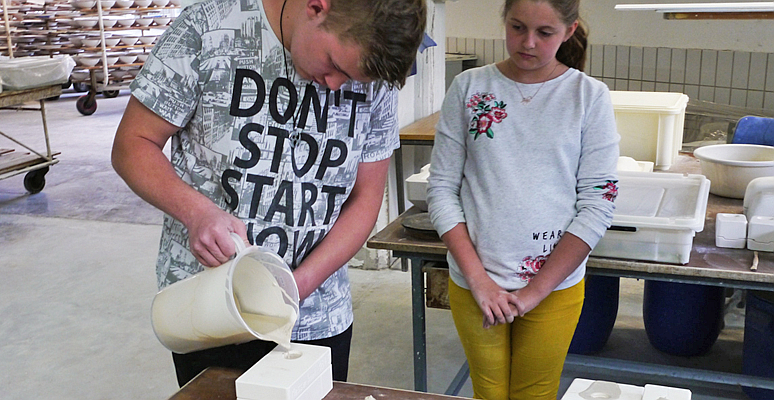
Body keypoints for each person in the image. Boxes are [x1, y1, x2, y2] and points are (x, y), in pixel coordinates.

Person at [112, 0, 426, 387]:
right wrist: (196, 212)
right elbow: (132, 144)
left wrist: (297, 287)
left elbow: (365, 200)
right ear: (316, 7)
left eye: (351, 80)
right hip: (210, 307)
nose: (334, 86)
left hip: (316, 317)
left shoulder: (370, 73)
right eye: (334, 66)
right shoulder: (209, 29)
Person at [426, 0, 619, 398]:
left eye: (544, 33)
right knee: (489, 391)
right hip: (476, 281)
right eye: (517, 27)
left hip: (554, 285)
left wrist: (535, 291)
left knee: (536, 392)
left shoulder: (588, 97)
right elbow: (442, 188)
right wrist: (479, 281)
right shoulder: (469, 87)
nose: (527, 42)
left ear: (569, 31)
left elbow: (599, 202)